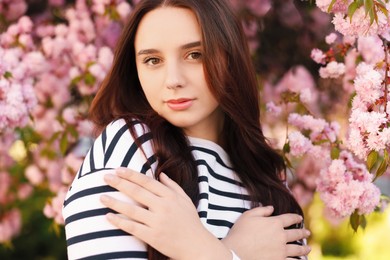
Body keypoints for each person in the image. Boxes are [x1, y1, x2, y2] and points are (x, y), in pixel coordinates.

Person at [62, 0, 311, 259]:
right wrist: (220, 253)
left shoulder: (269, 179)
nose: (173, 80)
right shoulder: (132, 145)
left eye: (194, 55)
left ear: (230, 57)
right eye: (152, 60)